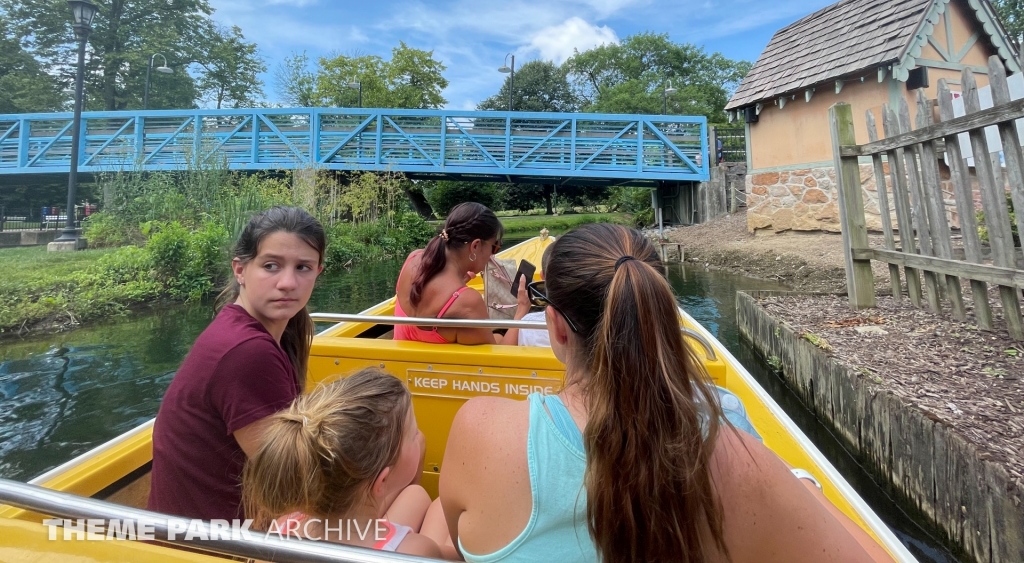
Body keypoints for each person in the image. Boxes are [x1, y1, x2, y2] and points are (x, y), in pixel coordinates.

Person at [440, 223, 896, 563]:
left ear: (556, 328)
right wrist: (799, 485)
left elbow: (457, 541)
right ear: (657, 315)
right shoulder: (740, 460)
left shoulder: (477, 429)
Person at [148, 206, 325, 521]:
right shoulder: (246, 352)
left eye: (303, 268)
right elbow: (294, 487)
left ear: (318, 272)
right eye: (271, 266)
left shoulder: (257, 332)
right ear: (240, 270)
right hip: (215, 545)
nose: (288, 282)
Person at [242, 368, 446, 557]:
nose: (419, 436)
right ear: (381, 482)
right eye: (413, 434)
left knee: (415, 495)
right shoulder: (417, 551)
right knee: (441, 509)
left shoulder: (283, 526)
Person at [394, 202, 529, 345]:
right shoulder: (468, 302)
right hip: (439, 367)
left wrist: (459, 285)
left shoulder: (413, 259)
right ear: (475, 246)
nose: (492, 255)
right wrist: (521, 310)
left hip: (396, 363)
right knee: (499, 336)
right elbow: (496, 360)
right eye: (494, 247)